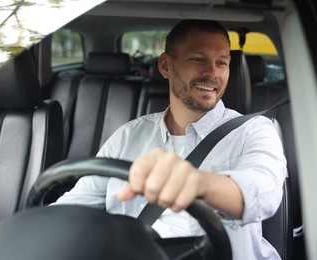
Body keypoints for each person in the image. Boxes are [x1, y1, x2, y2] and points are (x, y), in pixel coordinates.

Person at [53, 19, 287, 260]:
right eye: (198, 59)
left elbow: (265, 192)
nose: (212, 74)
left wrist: (199, 183)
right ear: (166, 65)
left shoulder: (254, 130)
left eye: (222, 63)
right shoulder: (128, 135)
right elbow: (72, 207)